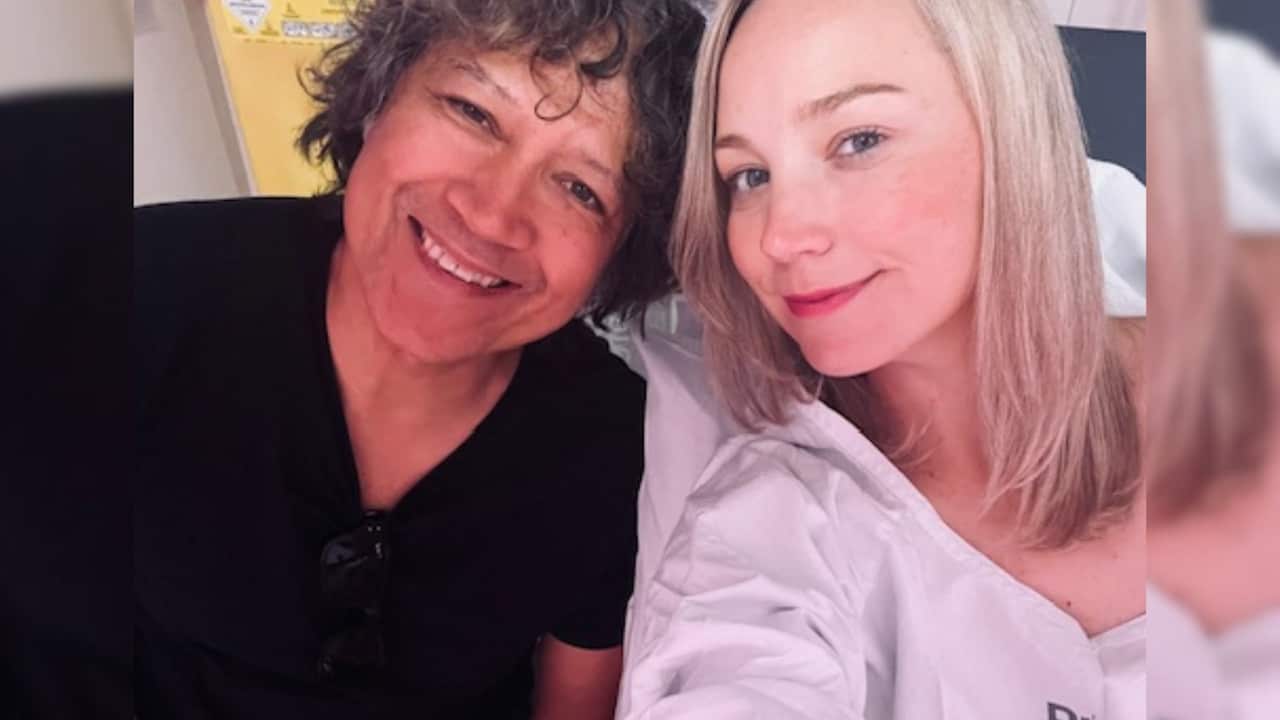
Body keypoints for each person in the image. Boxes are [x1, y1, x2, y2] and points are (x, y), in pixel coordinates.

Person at [133, 1, 703, 718]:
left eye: (582, 189)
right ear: (378, 97)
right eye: (473, 113)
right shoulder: (141, 292)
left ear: (619, 258)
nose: (492, 213)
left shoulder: (618, 448)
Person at [618, 0, 1144, 717]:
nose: (781, 236)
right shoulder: (776, 521)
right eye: (748, 176)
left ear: (1012, 127)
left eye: (859, 140)